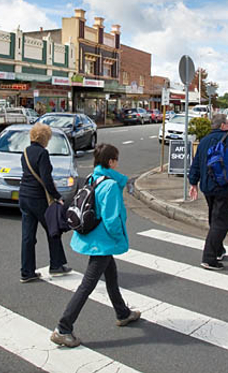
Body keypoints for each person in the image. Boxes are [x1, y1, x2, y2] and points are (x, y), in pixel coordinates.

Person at [50, 143, 141, 347]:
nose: (118, 162)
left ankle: (122, 312)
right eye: (116, 159)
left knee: (111, 276)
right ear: (111, 162)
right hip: (102, 241)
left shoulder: (92, 178)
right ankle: (63, 328)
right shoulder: (109, 186)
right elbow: (111, 219)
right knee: (87, 285)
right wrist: (119, 237)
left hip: (92, 237)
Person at [188, 113, 228, 270]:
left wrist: (193, 182)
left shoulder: (204, 141)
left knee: (214, 218)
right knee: (221, 222)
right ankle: (209, 257)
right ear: (223, 126)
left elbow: (196, 163)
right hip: (225, 186)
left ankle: (218, 250)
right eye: (227, 123)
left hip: (207, 186)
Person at [18, 122, 71, 283]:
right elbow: (46, 178)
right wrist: (57, 196)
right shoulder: (43, 154)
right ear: (45, 138)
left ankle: (27, 271)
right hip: (38, 198)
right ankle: (56, 265)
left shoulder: (25, 152)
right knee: (53, 230)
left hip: (24, 196)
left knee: (28, 236)